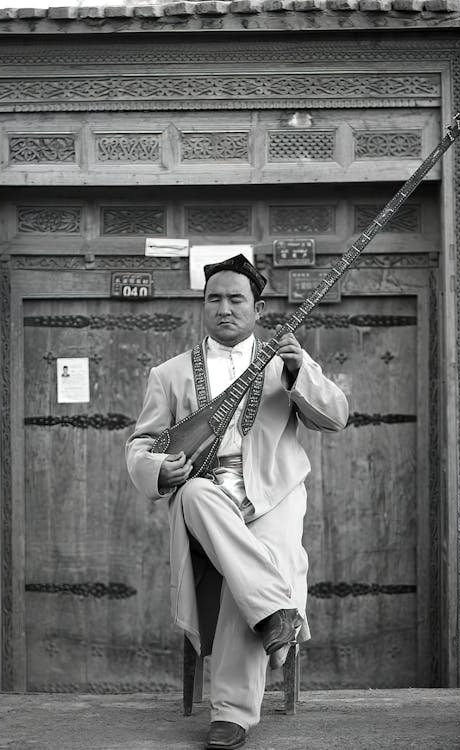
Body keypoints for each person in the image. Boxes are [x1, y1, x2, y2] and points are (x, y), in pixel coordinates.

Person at [126, 254, 348, 750]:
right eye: (214, 299)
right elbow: (140, 446)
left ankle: (230, 713)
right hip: (206, 498)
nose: (224, 308)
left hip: (272, 497)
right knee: (199, 495)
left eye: (236, 299)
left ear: (258, 306)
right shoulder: (170, 374)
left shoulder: (283, 363)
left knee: (243, 573)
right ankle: (276, 613)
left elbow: (336, 416)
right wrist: (159, 469)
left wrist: (300, 371)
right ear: (203, 306)